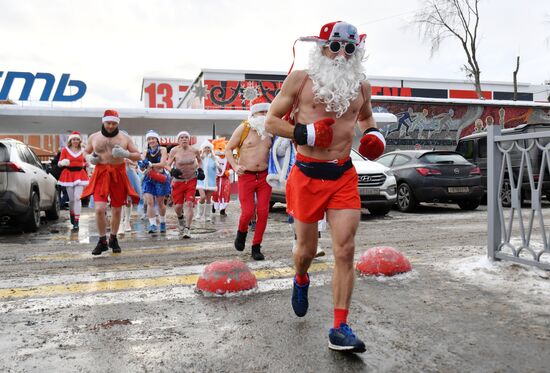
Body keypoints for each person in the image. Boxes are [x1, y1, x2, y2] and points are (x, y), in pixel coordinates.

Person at [264, 21, 386, 353]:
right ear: (321, 47)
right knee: (304, 251)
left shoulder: (361, 86)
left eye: (350, 49)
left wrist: (373, 134)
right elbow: (271, 120)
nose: (342, 55)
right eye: (335, 46)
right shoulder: (301, 79)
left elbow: (366, 118)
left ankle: (339, 327)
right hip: (306, 175)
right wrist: (305, 133)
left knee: (345, 249)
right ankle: (300, 277)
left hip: (343, 175)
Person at [81, 109, 141, 255]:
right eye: (108, 123)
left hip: (118, 173)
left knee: (117, 208)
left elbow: (138, 155)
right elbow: (85, 152)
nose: (110, 126)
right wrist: (89, 159)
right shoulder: (94, 137)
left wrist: (126, 154)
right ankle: (102, 240)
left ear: (117, 123)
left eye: (114, 123)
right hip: (101, 173)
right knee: (99, 209)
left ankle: (113, 238)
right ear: (103, 121)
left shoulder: (124, 138)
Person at [226, 96, 273, 261]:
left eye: (267, 112)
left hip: (265, 176)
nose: (265, 115)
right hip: (246, 175)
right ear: (253, 114)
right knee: (247, 211)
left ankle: (256, 246)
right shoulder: (243, 128)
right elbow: (228, 148)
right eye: (262, 112)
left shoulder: (271, 130)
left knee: (263, 212)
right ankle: (241, 233)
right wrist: (234, 165)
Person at [166, 131, 202, 238]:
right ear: (178, 140)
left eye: (186, 137)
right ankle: (180, 218)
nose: (184, 139)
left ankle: (187, 229)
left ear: (189, 139)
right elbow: (167, 165)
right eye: (181, 137)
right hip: (178, 181)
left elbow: (200, 161)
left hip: (191, 180)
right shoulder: (174, 151)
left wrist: (200, 170)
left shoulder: (194, 150)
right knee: (178, 207)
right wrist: (172, 171)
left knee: (190, 204)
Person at [138, 130, 171, 234]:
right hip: (148, 179)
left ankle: (162, 222)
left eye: (153, 138)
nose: (151, 141)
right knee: (149, 202)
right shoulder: (145, 152)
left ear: (157, 139)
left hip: (160, 178)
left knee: (160, 203)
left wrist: (151, 165)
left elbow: (162, 164)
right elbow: (142, 168)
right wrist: (142, 165)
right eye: (149, 139)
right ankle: (152, 224)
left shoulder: (163, 149)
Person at [57, 131, 89, 230]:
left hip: (80, 174)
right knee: (71, 200)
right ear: (70, 140)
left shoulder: (83, 150)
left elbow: (86, 162)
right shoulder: (65, 150)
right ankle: (72, 214)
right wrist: (62, 163)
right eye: (73, 139)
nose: (75, 141)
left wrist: (88, 163)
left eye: (77, 139)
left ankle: (76, 221)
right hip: (68, 175)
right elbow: (59, 163)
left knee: (77, 198)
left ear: (80, 141)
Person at [119, 130, 142, 233]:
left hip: (129, 175)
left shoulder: (131, 149)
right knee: (118, 200)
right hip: (117, 176)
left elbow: (137, 164)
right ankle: (119, 223)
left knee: (128, 200)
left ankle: (127, 221)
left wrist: (129, 161)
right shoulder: (114, 148)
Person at [195, 141, 217, 222]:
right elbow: (196, 166)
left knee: (208, 199)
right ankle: (199, 214)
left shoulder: (214, 158)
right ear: (203, 149)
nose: (207, 149)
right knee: (202, 197)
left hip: (211, 182)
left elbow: (217, 168)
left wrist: (216, 163)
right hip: (201, 181)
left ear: (211, 149)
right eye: (205, 148)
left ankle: (207, 216)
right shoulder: (200, 158)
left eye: (208, 148)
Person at [211, 138, 232, 215]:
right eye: (220, 148)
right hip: (216, 179)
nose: (222, 150)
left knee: (226, 192)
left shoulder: (229, 159)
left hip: (225, 179)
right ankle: (214, 204)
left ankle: (223, 209)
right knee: (215, 193)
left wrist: (229, 172)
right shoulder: (214, 158)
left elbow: (233, 167)